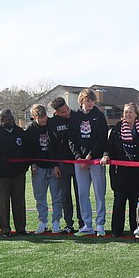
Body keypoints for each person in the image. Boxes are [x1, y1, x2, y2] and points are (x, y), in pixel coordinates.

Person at [0, 109, 30, 237]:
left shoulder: (20, 132)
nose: (11, 121)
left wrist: (25, 167)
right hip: (0, 173)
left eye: (12, 118)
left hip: (18, 172)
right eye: (8, 119)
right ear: (2, 120)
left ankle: (21, 228)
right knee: (2, 202)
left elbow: (27, 151)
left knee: (19, 201)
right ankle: (5, 229)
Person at [106, 102, 139, 237]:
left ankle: (135, 229)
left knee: (134, 202)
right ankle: (116, 231)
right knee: (119, 201)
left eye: (130, 112)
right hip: (120, 173)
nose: (127, 114)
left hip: (136, 173)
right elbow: (109, 146)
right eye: (125, 112)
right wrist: (106, 155)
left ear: (136, 114)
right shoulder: (117, 129)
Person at [69, 89, 109, 237]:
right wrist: (79, 157)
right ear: (82, 101)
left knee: (99, 193)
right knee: (82, 194)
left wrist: (90, 156)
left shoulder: (99, 116)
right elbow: (71, 139)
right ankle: (87, 224)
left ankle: (100, 224)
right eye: (88, 100)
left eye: (92, 100)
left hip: (96, 160)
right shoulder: (75, 117)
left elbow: (102, 138)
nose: (91, 103)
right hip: (80, 162)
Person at [26, 104, 62, 234]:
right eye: (40, 118)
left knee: (57, 196)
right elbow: (28, 148)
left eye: (45, 116)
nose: (43, 120)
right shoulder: (30, 129)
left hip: (53, 166)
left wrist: (56, 165)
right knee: (40, 197)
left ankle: (56, 221)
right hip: (39, 167)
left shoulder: (52, 124)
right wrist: (33, 163)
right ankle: (43, 222)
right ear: (34, 117)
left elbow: (57, 145)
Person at [48, 96, 82, 234]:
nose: (66, 113)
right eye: (63, 112)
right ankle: (69, 224)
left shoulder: (76, 116)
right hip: (62, 164)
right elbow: (51, 146)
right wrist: (55, 165)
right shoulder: (53, 123)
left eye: (67, 109)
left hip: (78, 162)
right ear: (56, 112)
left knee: (81, 195)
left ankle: (83, 222)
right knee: (65, 196)